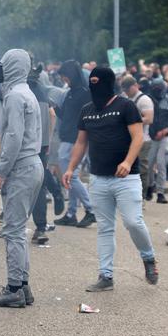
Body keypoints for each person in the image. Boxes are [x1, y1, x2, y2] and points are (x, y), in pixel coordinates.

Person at [62, 67, 158, 292]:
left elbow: (137, 137)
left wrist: (126, 162)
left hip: (127, 178)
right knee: (105, 228)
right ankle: (106, 275)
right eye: (92, 82)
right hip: (98, 178)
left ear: (109, 83)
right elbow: (80, 142)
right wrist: (70, 168)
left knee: (133, 222)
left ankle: (149, 258)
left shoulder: (126, 106)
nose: (96, 87)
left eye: (99, 82)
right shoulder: (86, 110)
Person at [0, 49, 43, 308]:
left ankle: (14, 289)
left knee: (14, 231)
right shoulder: (25, 92)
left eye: (3, 65)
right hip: (32, 165)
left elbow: (14, 137)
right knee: (18, 230)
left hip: (21, 168)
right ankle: (23, 286)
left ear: (11, 67)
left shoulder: (15, 96)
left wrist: (1, 172)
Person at [54, 60, 96, 228]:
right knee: (70, 177)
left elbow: (87, 117)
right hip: (69, 138)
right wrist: (56, 108)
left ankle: (90, 209)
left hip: (75, 139)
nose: (64, 80)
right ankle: (71, 213)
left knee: (69, 176)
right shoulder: (71, 92)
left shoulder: (84, 93)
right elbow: (65, 115)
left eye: (65, 76)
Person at [29, 65, 64, 245]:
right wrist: (48, 139)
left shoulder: (21, 92)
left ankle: (13, 225)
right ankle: (41, 228)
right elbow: (52, 115)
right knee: (40, 184)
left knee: (18, 184)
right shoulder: (43, 91)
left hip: (26, 146)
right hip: (41, 144)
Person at [146, 79, 168, 203]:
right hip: (150, 137)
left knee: (161, 165)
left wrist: (167, 130)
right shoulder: (148, 100)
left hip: (164, 137)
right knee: (148, 165)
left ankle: (160, 192)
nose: (157, 91)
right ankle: (150, 186)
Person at [121, 76, 154, 200]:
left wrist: (130, 121)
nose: (127, 92)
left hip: (143, 139)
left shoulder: (144, 99)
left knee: (141, 170)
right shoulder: (126, 99)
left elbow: (149, 119)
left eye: (128, 89)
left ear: (135, 86)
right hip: (128, 140)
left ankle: (142, 197)